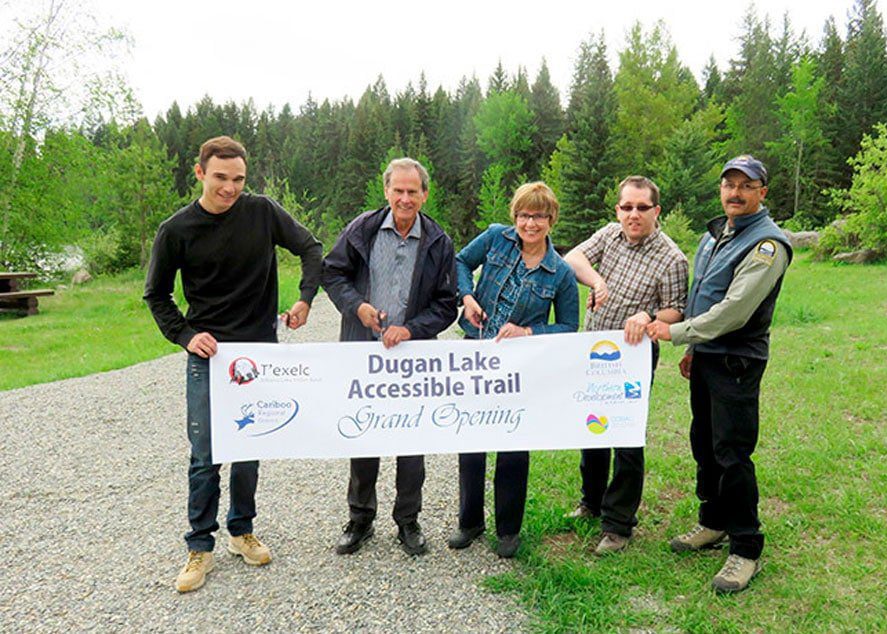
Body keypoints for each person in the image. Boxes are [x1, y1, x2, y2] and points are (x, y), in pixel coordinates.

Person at [144, 136, 323, 593]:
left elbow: (310, 247)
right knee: (206, 455)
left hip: (259, 352)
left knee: (249, 447)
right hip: (210, 355)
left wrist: (304, 299)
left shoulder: (262, 211)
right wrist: (186, 335)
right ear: (200, 173)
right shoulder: (176, 230)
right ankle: (199, 547)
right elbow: (157, 295)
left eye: (238, 180)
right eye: (221, 178)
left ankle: (241, 531)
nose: (230, 188)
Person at [645, 155, 791, 594]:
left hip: (736, 362)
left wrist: (676, 333)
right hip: (708, 356)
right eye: (729, 184)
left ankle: (746, 548)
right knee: (704, 445)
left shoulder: (767, 244)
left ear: (762, 192)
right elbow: (702, 295)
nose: (736, 192)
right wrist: (693, 347)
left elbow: (734, 310)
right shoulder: (716, 236)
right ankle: (713, 522)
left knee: (732, 453)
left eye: (747, 185)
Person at [322, 157, 457, 556]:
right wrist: (357, 307)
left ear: (424, 194)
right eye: (398, 190)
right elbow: (333, 274)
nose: (404, 198)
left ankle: (408, 521)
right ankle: (360, 519)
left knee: (412, 437)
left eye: (412, 191)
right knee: (362, 432)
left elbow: (447, 305)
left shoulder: (438, 241)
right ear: (386, 191)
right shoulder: (361, 229)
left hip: (412, 357)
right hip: (363, 353)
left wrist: (412, 328)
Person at [447, 182, 579, 559]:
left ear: (551, 219)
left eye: (538, 215)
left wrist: (528, 332)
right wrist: (467, 296)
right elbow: (459, 261)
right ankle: (469, 522)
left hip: (521, 368)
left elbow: (569, 326)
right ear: (514, 217)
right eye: (523, 215)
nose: (530, 223)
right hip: (477, 352)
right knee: (470, 441)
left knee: (513, 448)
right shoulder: (494, 239)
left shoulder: (561, 273)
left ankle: (508, 530)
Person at [563, 175, 689, 555]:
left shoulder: (672, 258)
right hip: (594, 347)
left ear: (656, 211)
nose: (633, 215)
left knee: (626, 435)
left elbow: (677, 309)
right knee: (592, 426)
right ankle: (592, 502)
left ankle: (618, 524)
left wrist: (648, 313)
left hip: (632, 355)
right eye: (627, 207)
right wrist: (599, 282)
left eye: (642, 208)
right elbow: (572, 259)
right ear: (618, 210)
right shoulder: (609, 235)